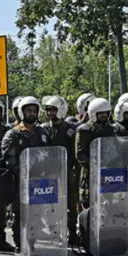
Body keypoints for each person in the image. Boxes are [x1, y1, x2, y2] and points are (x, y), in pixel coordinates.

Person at [0, 97, 49, 256]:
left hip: (38, 181)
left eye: (34, 111)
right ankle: (19, 246)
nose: (32, 113)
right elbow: (9, 160)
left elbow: (48, 154)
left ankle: (32, 245)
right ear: (21, 112)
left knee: (36, 214)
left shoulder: (42, 133)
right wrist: (24, 173)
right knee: (19, 214)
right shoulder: (12, 134)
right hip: (18, 181)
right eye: (28, 110)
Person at [42, 95, 80, 246]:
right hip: (49, 173)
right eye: (48, 110)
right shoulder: (43, 129)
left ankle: (72, 233)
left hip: (67, 171)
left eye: (53, 110)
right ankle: (54, 232)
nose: (50, 113)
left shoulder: (71, 130)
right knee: (51, 205)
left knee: (71, 204)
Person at [75, 98, 126, 209]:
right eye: (101, 113)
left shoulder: (112, 129)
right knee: (89, 205)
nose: (104, 116)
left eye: (106, 113)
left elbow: (117, 148)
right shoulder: (84, 130)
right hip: (91, 173)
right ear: (93, 113)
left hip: (110, 173)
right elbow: (80, 154)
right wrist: (95, 165)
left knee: (111, 204)